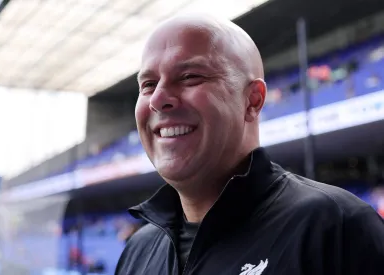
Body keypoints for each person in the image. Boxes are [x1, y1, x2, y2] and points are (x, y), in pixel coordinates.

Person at [115, 14, 384, 275]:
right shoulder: (138, 250)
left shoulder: (336, 228)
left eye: (189, 77)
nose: (158, 98)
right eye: (148, 84)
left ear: (253, 100)